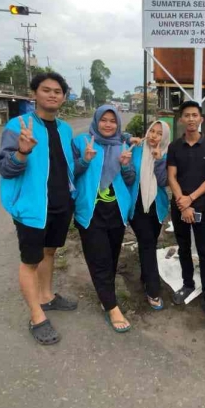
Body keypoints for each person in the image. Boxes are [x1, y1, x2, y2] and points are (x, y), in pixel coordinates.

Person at [0, 72, 78, 346]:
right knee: (30, 261)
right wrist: (22, 152)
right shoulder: (18, 126)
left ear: (64, 97)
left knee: (50, 251)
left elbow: (70, 167)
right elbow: (5, 169)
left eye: (58, 91)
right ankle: (36, 316)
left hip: (59, 205)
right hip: (32, 208)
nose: (53, 94)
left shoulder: (65, 129)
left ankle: (47, 296)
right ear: (34, 93)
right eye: (46, 90)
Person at [72, 105, 136, 332]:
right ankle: (111, 306)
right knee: (99, 259)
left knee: (111, 259)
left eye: (112, 121)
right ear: (96, 120)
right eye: (104, 120)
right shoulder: (82, 142)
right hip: (90, 213)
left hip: (117, 213)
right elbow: (71, 174)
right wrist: (85, 161)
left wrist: (126, 165)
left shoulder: (124, 145)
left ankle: (104, 294)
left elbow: (130, 180)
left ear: (118, 124)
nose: (108, 124)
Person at [166, 100, 205, 321]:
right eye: (186, 115)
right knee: (183, 248)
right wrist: (182, 201)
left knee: (204, 252)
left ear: (201, 119)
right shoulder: (174, 147)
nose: (190, 119)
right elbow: (171, 176)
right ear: (181, 120)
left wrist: (191, 199)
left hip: (200, 206)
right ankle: (188, 285)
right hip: (180, 205)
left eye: (194, 115)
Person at [128, 120, 171, 310]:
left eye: (159, 133)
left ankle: (145, 277)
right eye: (151, 131)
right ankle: (153, 290)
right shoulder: (136, 148)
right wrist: (128, 138)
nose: (154, 136)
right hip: (137, 206)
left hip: (157, 207)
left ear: (165, 137)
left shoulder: (168, 154)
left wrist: (159, 159)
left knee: (150, 243)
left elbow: (163, 182)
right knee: (147, 244)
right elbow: (128, 176)